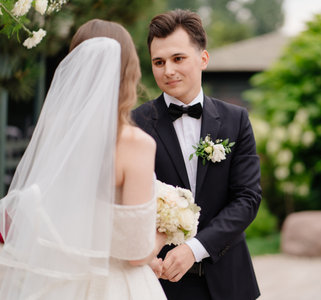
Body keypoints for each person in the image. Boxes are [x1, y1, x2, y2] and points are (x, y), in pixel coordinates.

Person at [0, 19, 166, 300]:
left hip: (60, 279)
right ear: (129, 72)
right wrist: (164, 232)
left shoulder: (56, 133)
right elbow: (136, 254)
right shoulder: (134, 143)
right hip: (114, 286)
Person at [133, 9, 261, 300]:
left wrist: (194, 248)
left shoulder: (236, 120)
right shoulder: (135, 124)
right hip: (159, 282)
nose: (168, 70)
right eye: (158, 62)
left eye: (178, 58)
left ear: (203, 59)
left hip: (230, 281)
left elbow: (247, 198)